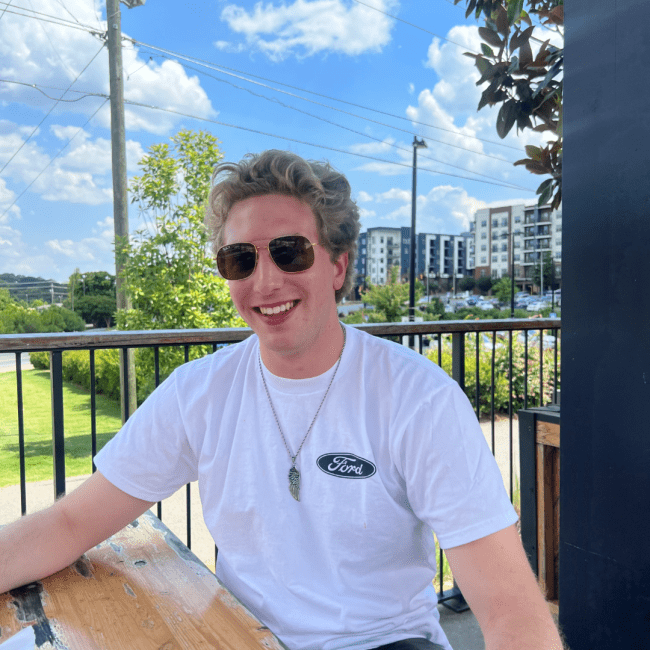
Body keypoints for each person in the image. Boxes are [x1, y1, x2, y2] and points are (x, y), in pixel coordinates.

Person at [0, 150, 562, 650]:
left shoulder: (419, 400)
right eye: (239, 259)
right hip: (242, 634)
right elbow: (71, 523)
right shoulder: (199, 392)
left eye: (290, 253)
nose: (265, 282)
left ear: (339, 265)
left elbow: (512, 615)